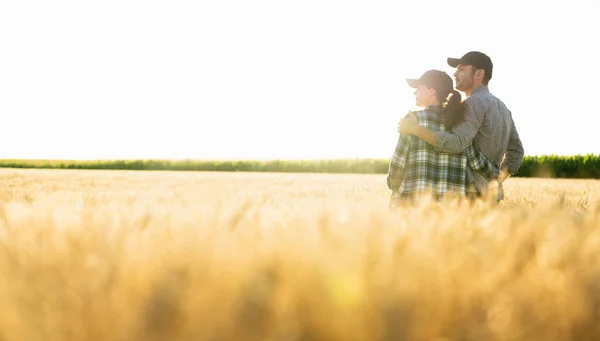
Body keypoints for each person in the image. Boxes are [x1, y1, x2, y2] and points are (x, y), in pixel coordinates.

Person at [397, 51, 524, 200]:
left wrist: (416, 130)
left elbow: (457, 143)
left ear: (479, 74)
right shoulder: (503, 108)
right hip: (491, 197)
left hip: (470, 193)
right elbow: (517, 152)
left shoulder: (474, 103)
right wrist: (495, 182)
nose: (455, 74)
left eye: (461, 69)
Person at [387, 69, 499, 207]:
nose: (415, 92)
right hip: (451, 211)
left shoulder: (412, 120)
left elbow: (399, 163)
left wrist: (392, 184)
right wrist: (499, 171)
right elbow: (478, 163)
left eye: (419, 88)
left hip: (414, 206)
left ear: (431, 91)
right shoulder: (460, 124)